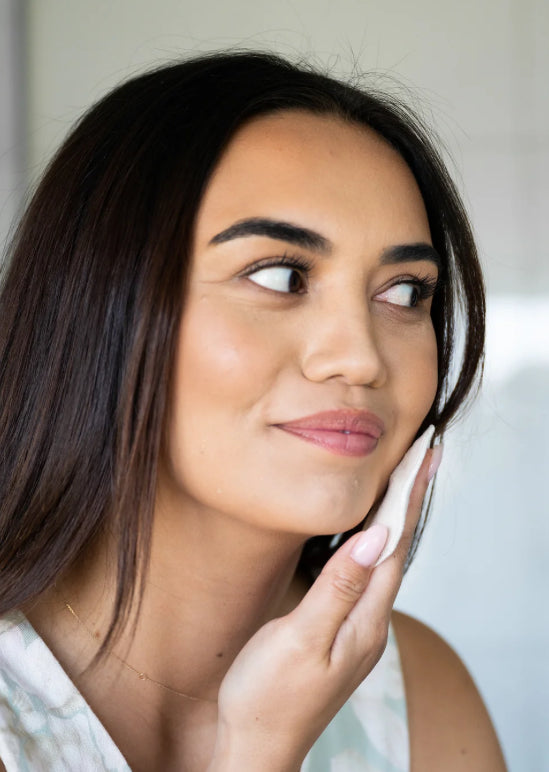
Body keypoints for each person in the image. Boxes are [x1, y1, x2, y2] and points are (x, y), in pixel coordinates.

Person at [0, 51, 505, 771]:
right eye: (281, 276)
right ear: (100, 306)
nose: (360, 359)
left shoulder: (417, 693)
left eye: (404, 293)